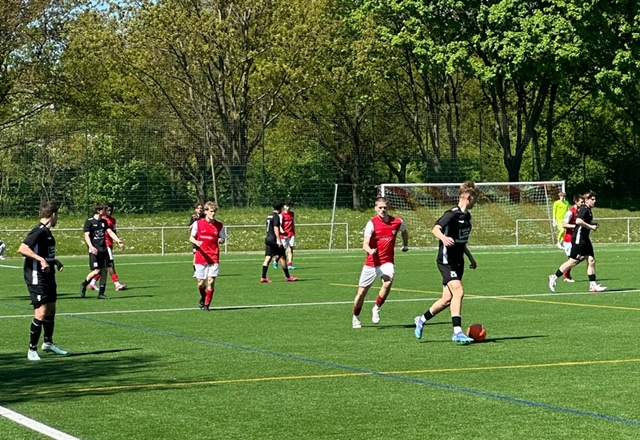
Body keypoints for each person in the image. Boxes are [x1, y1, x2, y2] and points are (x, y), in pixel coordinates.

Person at [414, 181, 478, 344]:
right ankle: (457, 331)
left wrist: (470, 257)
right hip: (446, 260)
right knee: (459, 291)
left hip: (458, 262)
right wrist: (443, 237)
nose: (476, 202)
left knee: (446, 299)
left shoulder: (467, 216)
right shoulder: (451, 214)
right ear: (469, 198)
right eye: (475, 199)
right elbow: (435, 228)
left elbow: (461, 241)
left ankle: (421, 319)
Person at [18, 202, 68, 361]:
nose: (57, 218)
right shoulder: (39, 230)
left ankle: (48, 343)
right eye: (57, 215)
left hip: (48, 276)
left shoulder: (47, 232)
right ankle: (31, 349)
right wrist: (41, 260)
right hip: (36, 277)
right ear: (53, 214)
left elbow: (44, 254)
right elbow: (23, 248)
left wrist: (54, 261)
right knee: (41, 312)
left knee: (51, 309)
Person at [351, 197, 408, 329]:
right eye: (380, 208)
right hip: (371, 263)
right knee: (361, 294)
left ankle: (376, 307)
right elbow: (365, 244)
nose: (382, 210)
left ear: (388, 208)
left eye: (385, 207)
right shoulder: (371, 223)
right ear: (375, 209)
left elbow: (404, 232)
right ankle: (356, 316)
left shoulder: (397, 222)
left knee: (388, 282)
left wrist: (405, 245)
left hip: (386, 262)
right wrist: (370, 250)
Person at [549, 190, 606, 293]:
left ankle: (593, 285)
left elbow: (584, 221)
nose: (594, 201)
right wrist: (591, 227)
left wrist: (593, 224)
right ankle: (554, 277)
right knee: (573, 261)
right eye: (592, 199)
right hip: (579, 239)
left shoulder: (588, 210)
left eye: (595, 199)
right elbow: (578, 221)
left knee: (591, 260)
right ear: (587, 200)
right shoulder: (584, 209)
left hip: (585, 238)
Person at [80, 203, 124, 299]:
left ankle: (101, 293)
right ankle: (84, 284)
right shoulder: (89, 221)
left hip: (104, 249)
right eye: (103, 209)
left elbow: (110, 232)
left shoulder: (104, 221)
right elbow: (86, 236)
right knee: (97, 271)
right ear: (98, 211)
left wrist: (118, 240)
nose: (105, 211)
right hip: (94, 250)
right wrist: (91, 247)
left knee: (104, 271)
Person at [189, 201, 226, 311]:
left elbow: (222, 238)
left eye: (214, 211)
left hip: (213, 256)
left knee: (211, 281)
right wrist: (196, 242)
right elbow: (191, 238)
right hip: (201, 256)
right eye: (211, 211)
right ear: (205, 212)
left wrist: (221, 240)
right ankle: (203, 296)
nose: (213, 213)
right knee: (201, 283)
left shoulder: (219, 225)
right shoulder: (198, 224)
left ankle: (207, 305)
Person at [89, 202, 127, 291]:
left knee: (103, 266)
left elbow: (113, 231)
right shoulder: (101, 220)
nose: (110, 212)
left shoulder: (113, 220)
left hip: (110, 244)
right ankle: (117, 284)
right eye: (108, 210)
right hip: (104, 245)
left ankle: (92, 283)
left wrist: (118, 240)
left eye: (111, 210)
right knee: (110, 264)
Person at [260, 201, 298, 283]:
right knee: (283, 256)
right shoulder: (276, 216)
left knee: (268, 257)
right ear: (280, 208)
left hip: (268, 239)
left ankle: (263, 277)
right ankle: (288, 276)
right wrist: (279, 240)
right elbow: (275, 229)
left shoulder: (269, 216)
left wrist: (282, 233)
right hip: (274, 240)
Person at [558, 194, 585, 283]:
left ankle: (566, 274)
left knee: (581, 257)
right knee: (572, 259)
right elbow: (564, 224)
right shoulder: (570, 212)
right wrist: (576, 226)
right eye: (581, 202)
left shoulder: (580, 211)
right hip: (569, 239)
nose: (583, 204)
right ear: (576, 202)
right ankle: (566, 276)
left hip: (576, 238)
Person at [274, 200, 296, 270]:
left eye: (289, 206)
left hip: (291, 234)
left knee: (290, 249)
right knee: (282, 251)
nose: (288, 207)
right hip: (284, 235)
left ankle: (290, 264)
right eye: (287, 206)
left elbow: (292, 223)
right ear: (284, 207)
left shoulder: (292, 214)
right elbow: (279, 225)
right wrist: (282, 232)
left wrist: (294, 232)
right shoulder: (281, 215)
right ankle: (276, 260)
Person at [189, 202, 205, 272]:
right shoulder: (193, 217)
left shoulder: (205, 216)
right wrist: (194, 224)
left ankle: (204, 270)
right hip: (196, 239)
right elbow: (190, 227)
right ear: (195, 209)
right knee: (195, 255)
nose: (199, 210)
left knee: (204, 255)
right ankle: (196, 271)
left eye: (201, 208)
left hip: (204, 238)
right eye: (198, 208)